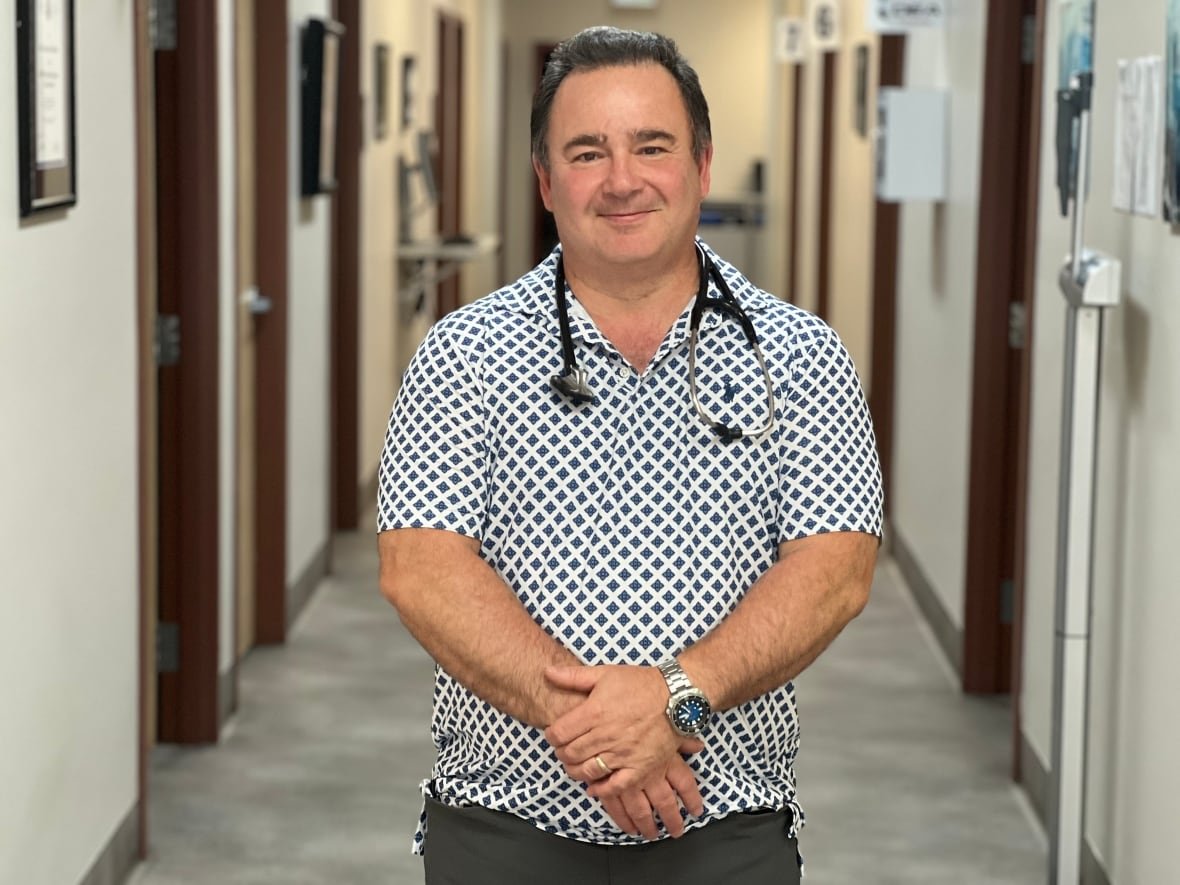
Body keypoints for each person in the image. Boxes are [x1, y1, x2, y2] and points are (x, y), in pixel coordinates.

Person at [377, 25, 882, 885]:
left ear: (702, 165)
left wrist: (677, 695)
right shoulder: (465, 353)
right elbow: (420, 565)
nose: (622, 180)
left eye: (652, 145)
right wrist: (598, 729)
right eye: (586, 152)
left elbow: (835, 565)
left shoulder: (799, 354)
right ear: (545, 181)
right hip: (502, 823)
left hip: (723, 825)